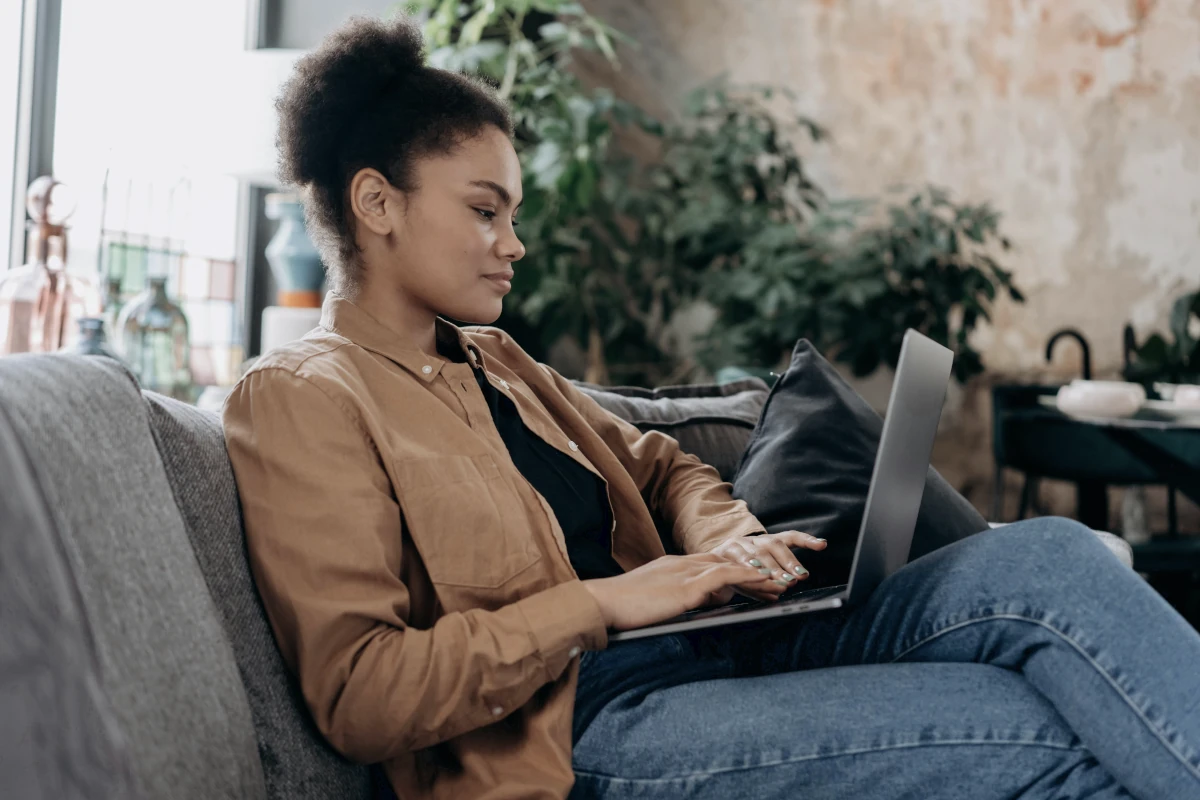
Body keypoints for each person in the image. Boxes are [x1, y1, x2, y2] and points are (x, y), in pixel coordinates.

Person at [221, 14, 1200, 800]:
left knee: (1050, 555)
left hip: (716, 645)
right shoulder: (303, 397)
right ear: (377, 202)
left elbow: (664, 462)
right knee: (1042, 730)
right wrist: (607, 600)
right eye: (486, 210)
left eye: (515, 214)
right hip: (586, 732)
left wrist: (725, 538)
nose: (514, 243)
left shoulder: (498, 361)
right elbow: (360, 693)